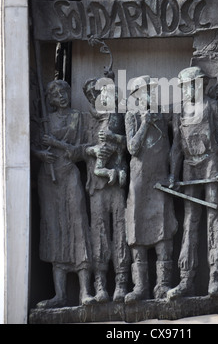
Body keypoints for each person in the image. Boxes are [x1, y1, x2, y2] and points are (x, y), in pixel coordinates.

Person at [166, 66, 218, 300]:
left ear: (199, 84)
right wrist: (173, 175)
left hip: (211, 163)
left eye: (189, 85)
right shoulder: (179, 111)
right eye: (183, 87)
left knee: (214, 218)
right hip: (189, 167)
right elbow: (176, 147)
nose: (185, 90)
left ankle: (216, 275)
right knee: (190, 221)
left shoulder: (212, 106)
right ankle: (186, 280)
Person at [32, 80, 93, 308]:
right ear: (50, 98)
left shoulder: (79, 117)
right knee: (54, 229)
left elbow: (81, 151)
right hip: (49, 179)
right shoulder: (45, 121)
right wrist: (40, 154)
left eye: (64, 91)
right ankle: (60, 295)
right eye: (56, 93)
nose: (61, 96)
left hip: (68, 174)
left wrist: (56, 143)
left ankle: (85, 292)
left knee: (78, 225)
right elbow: (31, 145)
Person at [125, 75, 178, 302]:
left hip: (160, 179)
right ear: (137, 94)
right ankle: (140, 287)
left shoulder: (165, 114)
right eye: (149, 90)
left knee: (164, 230)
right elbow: (133, 148)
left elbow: (177, 145)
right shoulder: (132, 116)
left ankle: (163, 285)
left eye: (155, 90)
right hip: (140, 180)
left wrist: (173, 174)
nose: (153, 94)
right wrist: (145, 123)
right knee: (137, 232)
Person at [82, 78, 131, 303]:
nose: (102, 98)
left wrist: (113, 138)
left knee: (121, 231)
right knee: (98, 233)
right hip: (96, 185)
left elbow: (129, 144)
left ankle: (121, 282)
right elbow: (77, 149)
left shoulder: (118, 117)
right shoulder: (85, 120)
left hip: (116, 181)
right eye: (98, 95)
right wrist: (91, 149)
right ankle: (100, 284)